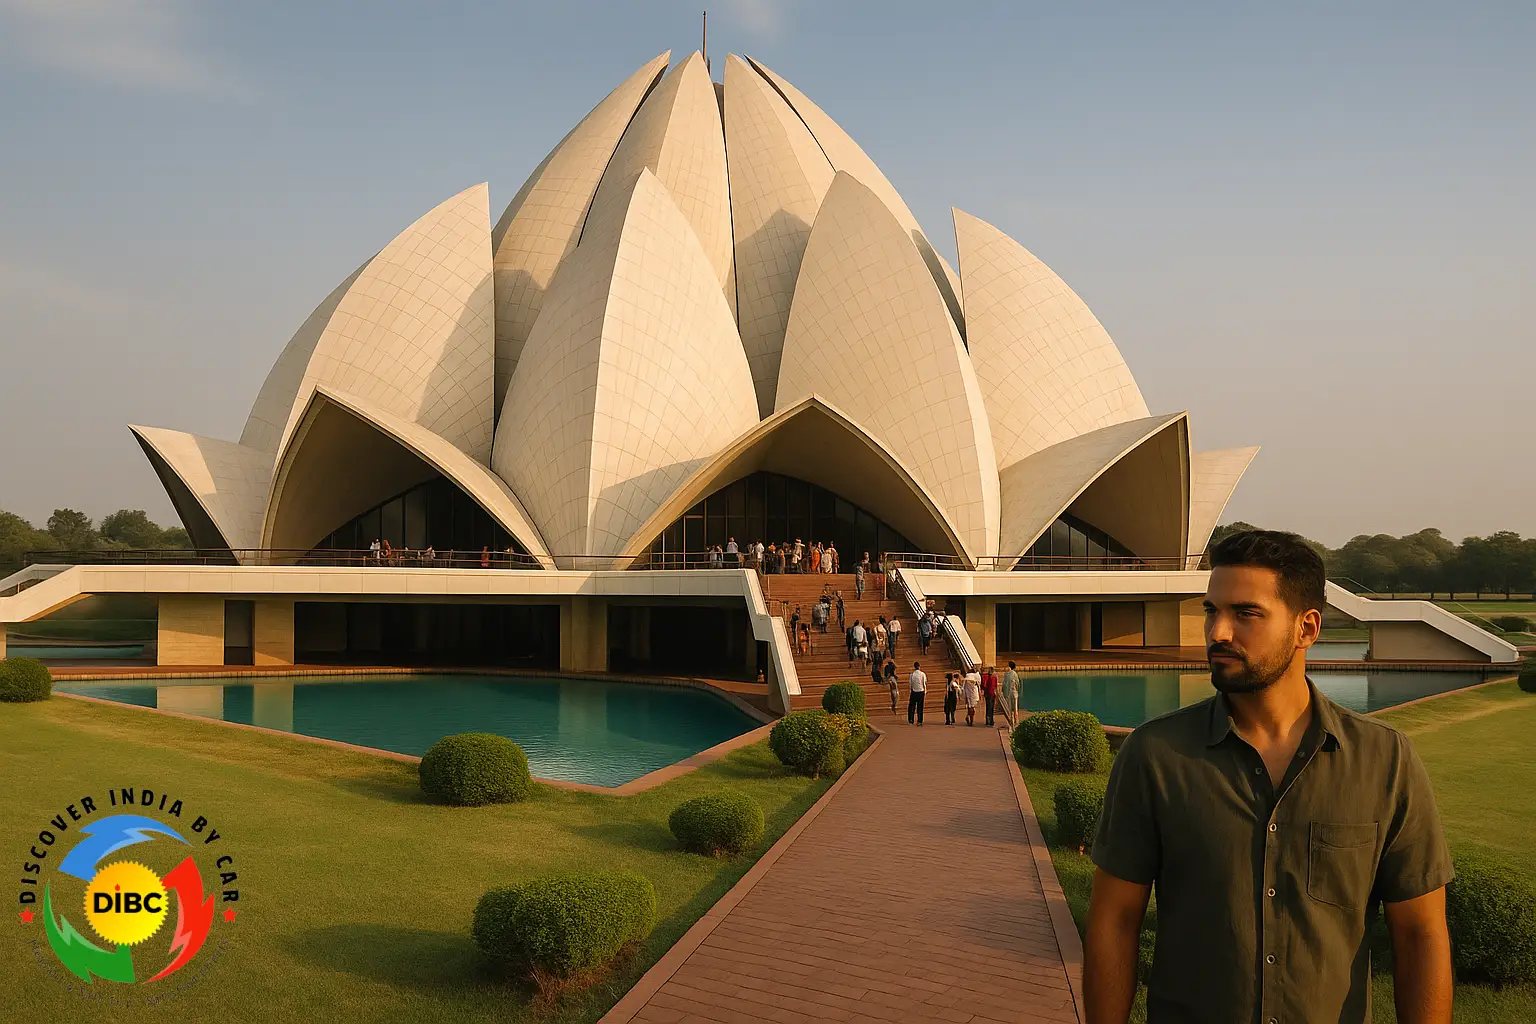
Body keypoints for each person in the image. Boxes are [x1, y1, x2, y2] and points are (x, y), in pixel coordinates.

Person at [1084, 530, 1453, 1024]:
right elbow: (1115, 919)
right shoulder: (1156, 756)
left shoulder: (1384, 762)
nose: (1217, 632)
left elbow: (1420, 934)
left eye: (1245, 613)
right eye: (1211, 610)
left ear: (1306, 627)